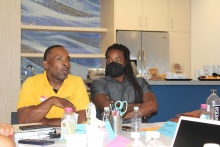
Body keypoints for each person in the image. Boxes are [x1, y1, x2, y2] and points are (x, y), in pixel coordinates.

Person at [17, 45, 90, 126]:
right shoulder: (31, 83)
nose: (66, 63)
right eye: (59, 59)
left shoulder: (76, 82)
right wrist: (52, 101)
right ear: (46, 65)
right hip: (38, 137)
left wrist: (46, 122)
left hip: (69, 135)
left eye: (68, 59)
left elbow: (81, 119)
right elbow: (23, 119)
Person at [91, 43, 157, 123]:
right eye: (109, 60)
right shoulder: (98, 83)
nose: (113, 63)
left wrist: (125, 116)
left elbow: (152, 106)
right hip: (112, 129)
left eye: (118, 60)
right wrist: (138, 106)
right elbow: (107, 106)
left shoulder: (140, 82)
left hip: (137, 128)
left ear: (125, 62)